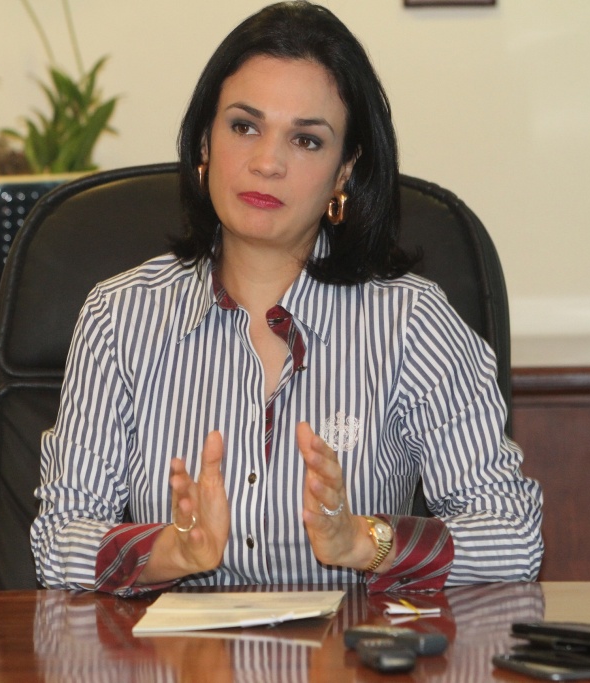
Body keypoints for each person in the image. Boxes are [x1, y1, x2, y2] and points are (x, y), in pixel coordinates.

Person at [31, 1, 543, 595]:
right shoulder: (120, 317)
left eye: (306, 140)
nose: (267, 162)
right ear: (204, 142)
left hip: (348, 646)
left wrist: (362, 541)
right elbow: (56, 540)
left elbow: (514, 537)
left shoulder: (411, 324)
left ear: (345, 170)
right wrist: (170, 550)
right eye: (244, 127)